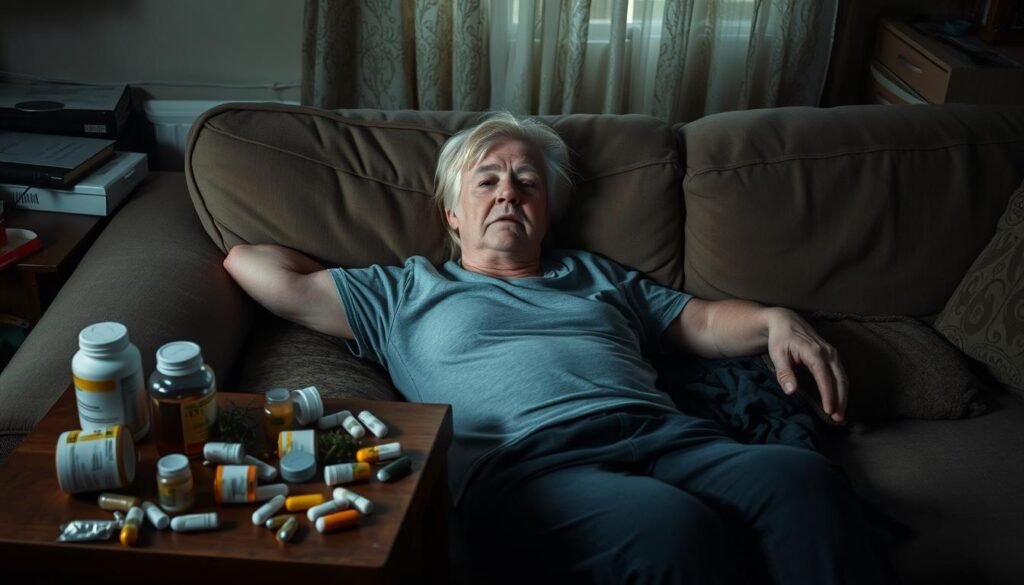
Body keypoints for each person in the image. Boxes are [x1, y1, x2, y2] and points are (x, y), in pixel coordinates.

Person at [223, 112, 894, 584]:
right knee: (671, 529)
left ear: (546, 211)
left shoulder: (599, 276)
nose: (508, 191)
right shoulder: (402, 291)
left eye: (526, 183)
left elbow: (706, 321)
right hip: (531, 467)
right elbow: (256, 267)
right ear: (452, 212)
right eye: (486, 180)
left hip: (668, 437)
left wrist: (776, 319)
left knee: (799, 479)